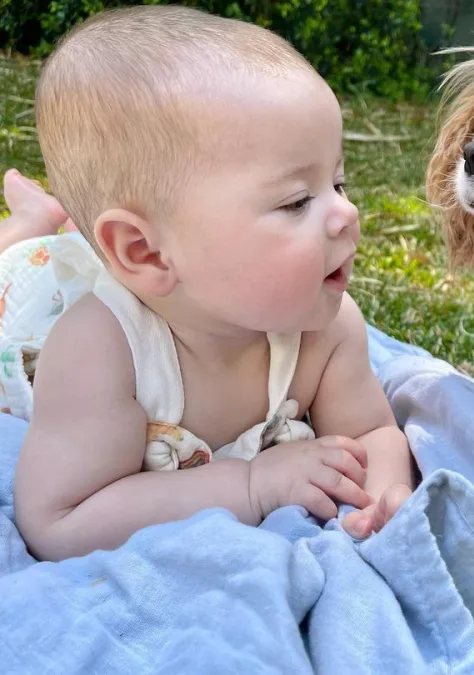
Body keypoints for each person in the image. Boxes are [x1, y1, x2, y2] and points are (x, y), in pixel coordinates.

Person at [3, 5, 414, 562]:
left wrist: (386, 496)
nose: (347, 214)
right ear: (146, 251)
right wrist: (249, 485)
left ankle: (66, 224)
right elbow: (61, 521)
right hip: (28, 303)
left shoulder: (329, 330)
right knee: (24, 260)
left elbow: (370, 433)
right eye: (297, 201)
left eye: (337, 183)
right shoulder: (96, 353)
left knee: (82, 243)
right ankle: (30, 223)